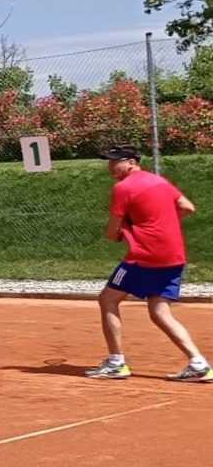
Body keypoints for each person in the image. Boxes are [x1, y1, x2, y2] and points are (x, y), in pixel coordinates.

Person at [86, 145, 209, 381]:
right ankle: (198, 363)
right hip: (174, 256)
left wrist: (120, 233)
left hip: (144, 256)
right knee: (159, 311)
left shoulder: (123, 188)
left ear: (132, 162)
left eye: (115, 161)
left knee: (107, 299)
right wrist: (158, 220)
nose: (110, 166)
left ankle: (116, 362)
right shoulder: (160, 181)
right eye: (109, 161)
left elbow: (113, 231)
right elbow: (187, 207)